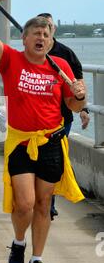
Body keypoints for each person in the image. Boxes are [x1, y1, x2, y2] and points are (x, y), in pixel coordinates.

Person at [0, 0, 85, 263]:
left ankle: (37, 259)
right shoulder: (12, 60)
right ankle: (18, 242)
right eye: (36, 34)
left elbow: (73, 106)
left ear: (51, 41)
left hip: (51, 142)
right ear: (24, 39)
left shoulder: (60, 67)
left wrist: (79, 95)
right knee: (24, 203)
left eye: (46, 34)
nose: (41, 38)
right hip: (22, 142)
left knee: (44, 204)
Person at [37, 13, 90, 220]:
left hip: (62, 118)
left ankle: (49, 203)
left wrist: (83, 109)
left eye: (48, 26)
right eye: (41, 27)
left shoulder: (66, 53)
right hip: (36, 121)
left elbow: (79, 84)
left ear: (53, 29)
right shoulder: (32, 52)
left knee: (54, 161)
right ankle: (40, 202)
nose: (45, 30)